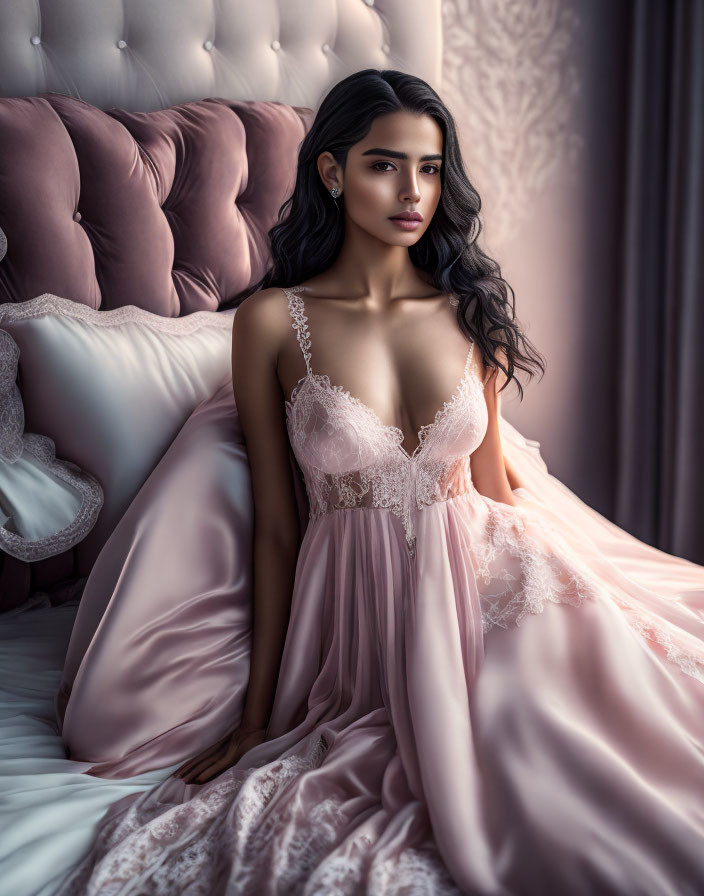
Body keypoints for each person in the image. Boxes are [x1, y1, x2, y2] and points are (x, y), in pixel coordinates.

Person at [56, 69, 704, 895]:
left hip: (497, 580)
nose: (413, 192)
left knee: (597, 759)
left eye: (430, 169)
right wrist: (259, 716)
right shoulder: (271, 322)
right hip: (361, 608)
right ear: (332, 172)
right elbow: (278, 526)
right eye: (385, 165)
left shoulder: (468, 310)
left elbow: (495, 491)